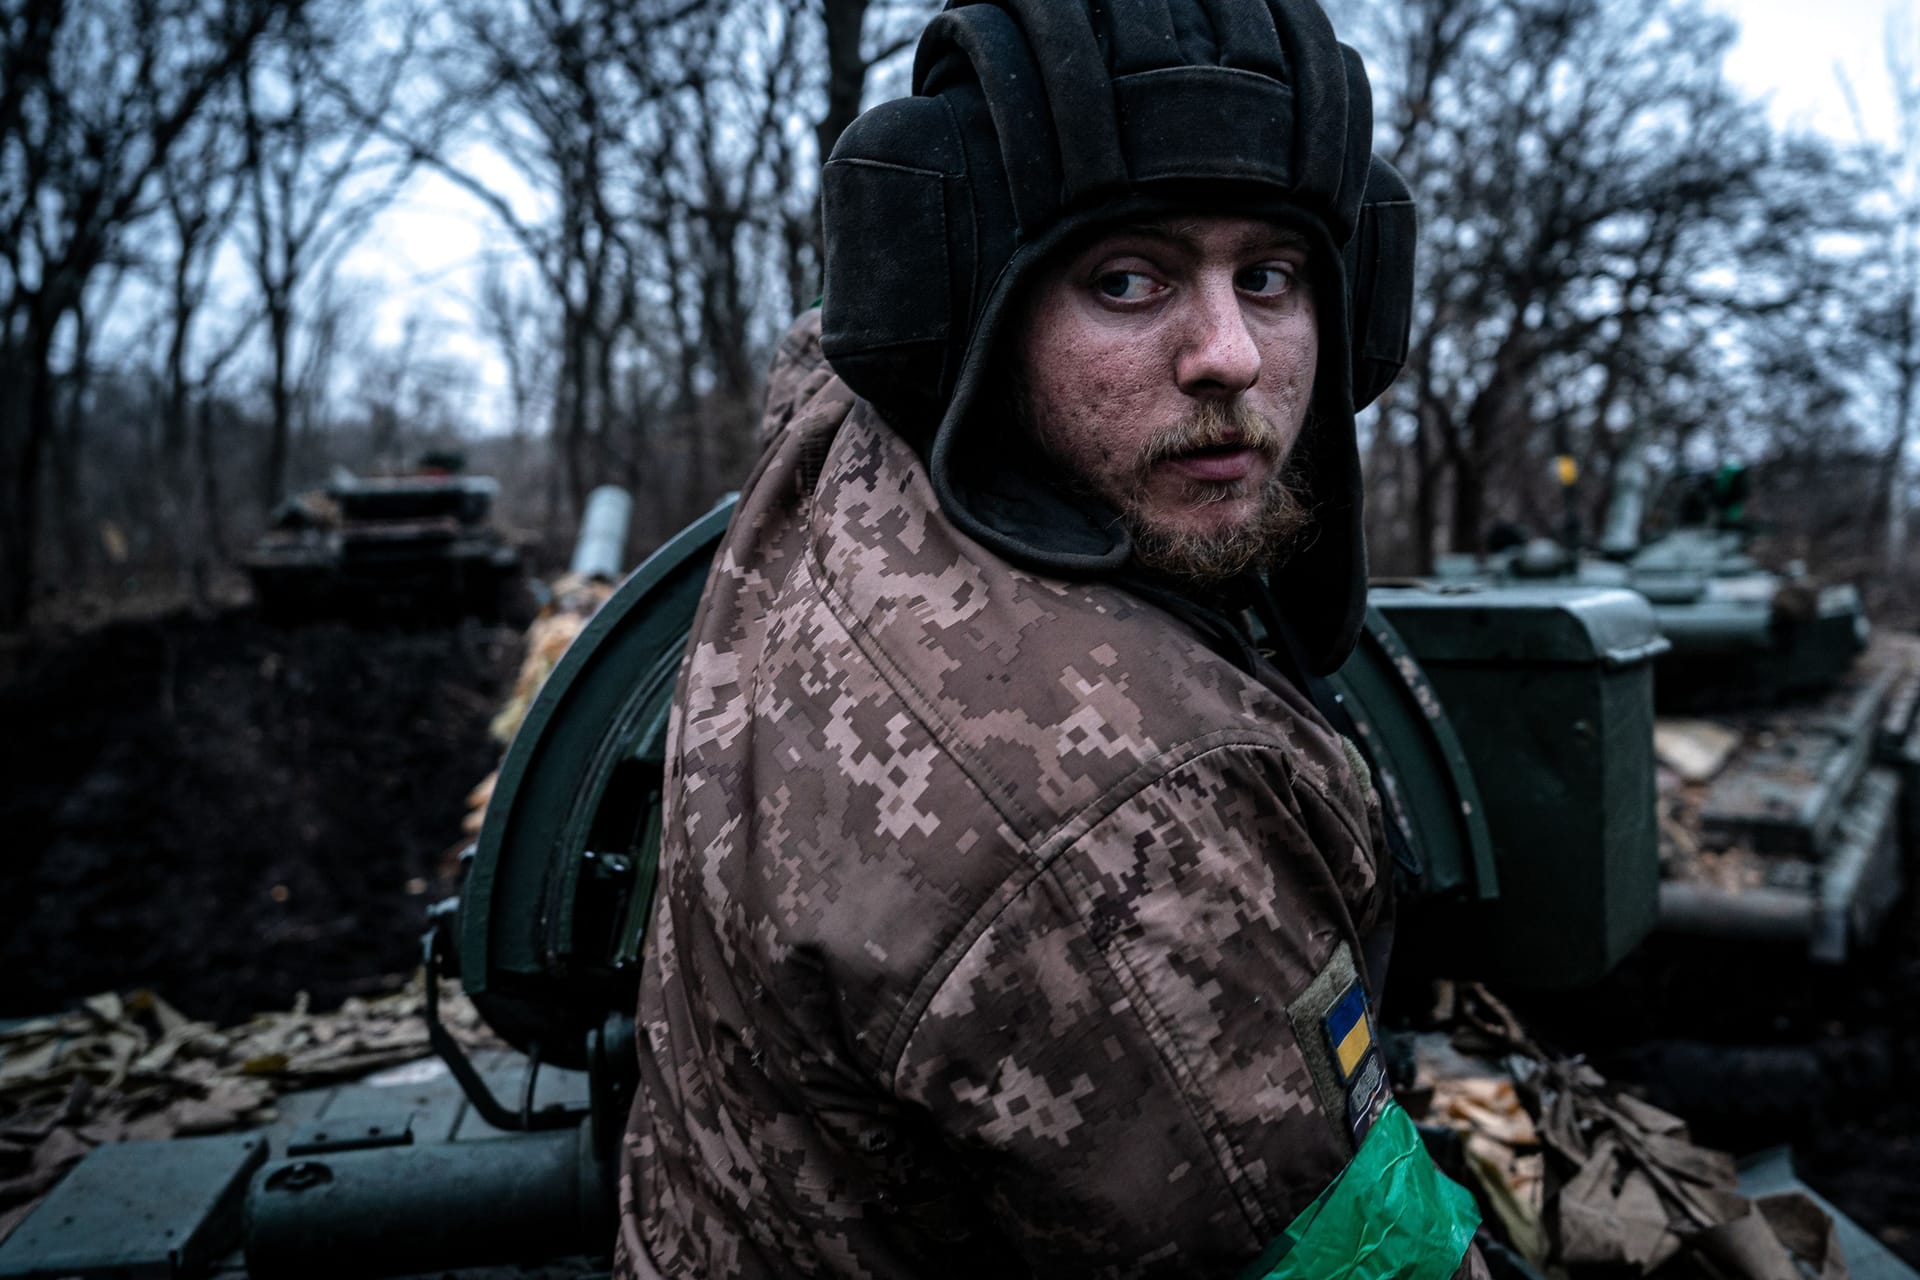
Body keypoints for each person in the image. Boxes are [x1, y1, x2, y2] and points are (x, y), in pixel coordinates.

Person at [617, 2, 1486, 1276]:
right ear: (973, 306)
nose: (1228, 356)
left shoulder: (853, 431)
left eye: (1272, 276)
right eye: (1125, 278)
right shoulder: (1125, 824)